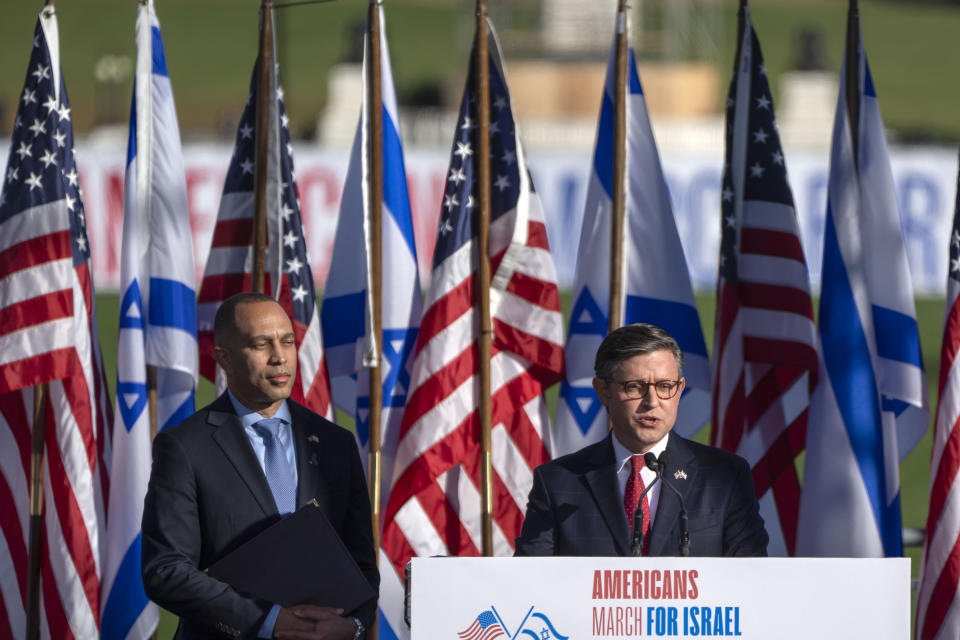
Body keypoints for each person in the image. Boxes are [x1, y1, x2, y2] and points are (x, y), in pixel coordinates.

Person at [142, 292, 378, 639]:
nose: (279, 357)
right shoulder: (184, 447)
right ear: (224, 358)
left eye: (287, 342)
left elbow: (361, 566)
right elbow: (165, 570)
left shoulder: (336, 444)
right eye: (261, 345)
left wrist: (353, 626)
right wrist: (267, 620)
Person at [515, 323, 768, 557]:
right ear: (603, 391)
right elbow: (531, 585)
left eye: (665, 386)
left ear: (679, 390)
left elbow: (751, 582)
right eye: (635, 387)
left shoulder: (726, 476)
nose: (652, 401)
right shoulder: (558, 482)